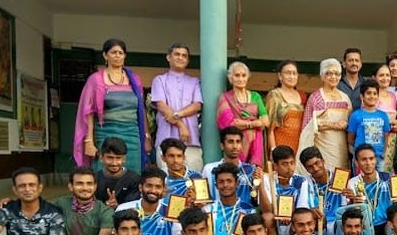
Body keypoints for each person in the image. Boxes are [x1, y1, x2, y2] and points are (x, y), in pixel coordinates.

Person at [74, 38, 152, 172]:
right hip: (105, 133)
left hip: (132, 135)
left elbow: (140, 110)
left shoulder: (134, 80)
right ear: (105, 55)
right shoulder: (96, 80)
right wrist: (89, 141)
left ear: (125, 56)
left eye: (121, 53)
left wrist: (146, 136)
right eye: (113, 52)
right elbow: (89, 113)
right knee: (104, 172)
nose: (117, 55)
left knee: (133, 174)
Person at [151, 42, 204, 172]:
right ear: (168, 57)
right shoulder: (159, 80)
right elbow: (162, 106)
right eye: (177, 54)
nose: (180, 58)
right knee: (168, 182)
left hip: (191, 142)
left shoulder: (194, 82)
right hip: (166, 140)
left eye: (184, 56)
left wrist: (177, 115)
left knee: (194, 180)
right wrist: (182, 126)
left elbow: (197, 105)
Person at [300, 58, 352, 171]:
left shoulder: (345, 97)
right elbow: (308, 125)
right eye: (329, 73)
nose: (333, 77)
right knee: (325, 175)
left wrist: (346, 124)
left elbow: (351, 121)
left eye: (337, 73)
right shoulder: (316, 97)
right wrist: (333, 125)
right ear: (322, 76)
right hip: (323, 147)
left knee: (341, 175)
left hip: (341, 147)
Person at [216, 61, 269, 166]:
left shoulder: (255, 96)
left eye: (243, 75)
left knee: (254, 176)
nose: (241, 79)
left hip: (256, 143)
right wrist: (254, 123)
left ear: (248, 77)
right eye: (237, 75)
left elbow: (266, 121)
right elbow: (231, 124)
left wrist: (244, 123)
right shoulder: (225, 98)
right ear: (230, 78)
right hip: (234, 144)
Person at [116, 167, 175, 235]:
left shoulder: (171, 211)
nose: (153, 190)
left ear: (163, 190)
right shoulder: (124, 208)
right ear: (140, 187)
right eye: (149, 186)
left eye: (158, 187)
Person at [202, 126, 262, 207]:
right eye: (230, 142)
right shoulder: (209, 169)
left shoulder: (251, 170)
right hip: (216, 216)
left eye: (238, 142)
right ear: (222, 146)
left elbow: (256, 201)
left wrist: (259, 186)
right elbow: (203, 199)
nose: (235, 146)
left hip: (245, 216)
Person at [260, 145, 310, 235]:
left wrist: (291, 217)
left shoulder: (301, 180)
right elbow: (267, 210)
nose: (289, 167)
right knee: (267, 218)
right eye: (284, 164)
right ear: (275, 166)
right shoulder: (267, 179)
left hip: (294, 219)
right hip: (275, 220)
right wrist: (260, 185)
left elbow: (302, 208)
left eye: (292, 163)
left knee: (301, 219)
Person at [346, 145, 394, 235]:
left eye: (371, 158)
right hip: (364, 227)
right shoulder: (352, 183)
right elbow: (350, 212)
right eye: (364, 159)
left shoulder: (388, 179)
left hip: (386, 225)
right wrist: (352, 201)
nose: (368, 163)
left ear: (376, 160)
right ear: (356, 162)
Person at [299, 146, 346, 235]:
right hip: (315, 225)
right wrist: (310, 212)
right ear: (306, 169)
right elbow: (302, 209)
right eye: (310, 166)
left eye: (317, 163)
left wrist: (351, 197)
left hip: (338, 224)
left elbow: (345, 206)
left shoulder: (339, 177)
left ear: (323, 161)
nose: (315, 168)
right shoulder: (305, 183)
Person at [203, 163, 256, 235]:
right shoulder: (208, 210)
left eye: (229, 181)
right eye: (221, 182)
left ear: (237, 183)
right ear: (216, 185)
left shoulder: (248, 211)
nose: (225, 185)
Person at [347, 79, 391, 168]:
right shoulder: (355, 115)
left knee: (379, 181)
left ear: (378, 96)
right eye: (368, 93)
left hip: (378, 157)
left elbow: (386, 137)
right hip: (361, 158)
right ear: (362, 96)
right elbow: (350, 139)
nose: (372, 96)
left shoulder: (383, 116)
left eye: (375, 93)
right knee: (360, 182)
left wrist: (383, 152)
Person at [265, 60, 307, 154]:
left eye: (294, 73)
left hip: (299, 145)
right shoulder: (275, 95)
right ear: (280, 76)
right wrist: (273, 150)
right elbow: (270, 128)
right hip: (280, 144)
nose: (291, 76)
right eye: (288, 73)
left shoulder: (302, 96)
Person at [94, 137, 140, 209]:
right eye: (110, 158)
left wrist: (117, 206)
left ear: (124, 159)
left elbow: (133, 207)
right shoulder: (95, 179)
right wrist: (105, 207)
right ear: (101, 157)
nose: (114, 163)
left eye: (118, 158)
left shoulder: (134, 180)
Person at [374, 64, 397, 172]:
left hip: (391, 139)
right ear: (374, 77)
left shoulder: (393, 96)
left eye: (387, 75)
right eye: (381, 75)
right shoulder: (371, 95)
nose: (385, 78)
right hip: (375, 138)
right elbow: (370, 117)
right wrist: (390, 121)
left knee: (387, 173)